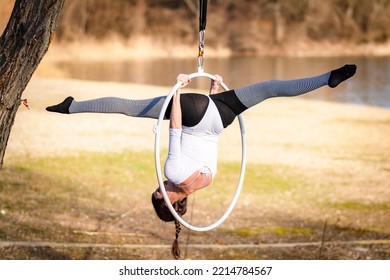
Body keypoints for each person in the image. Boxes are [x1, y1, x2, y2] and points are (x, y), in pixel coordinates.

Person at [46, 64, 357, 258]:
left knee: (268, 89)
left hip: (220, 118)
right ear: (170, 202)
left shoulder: (204, 183)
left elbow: (208, 142)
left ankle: (328, 77)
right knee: (129, 107)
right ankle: (72, 107)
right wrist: (178, 93)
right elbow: (176, 129)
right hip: (193, 112)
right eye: (160, 192)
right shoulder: (174, 171)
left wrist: (212, 92)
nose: (160, 184)